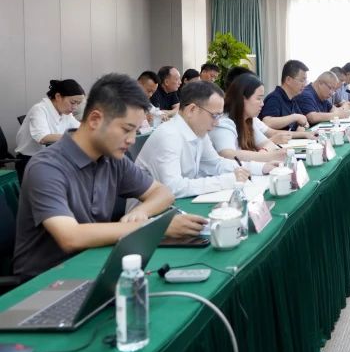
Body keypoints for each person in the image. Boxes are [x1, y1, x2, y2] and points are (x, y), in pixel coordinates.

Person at [12, 73, 205, 281]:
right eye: (126, 129)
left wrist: (141, 212)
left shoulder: (112, 158)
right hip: (45, 281)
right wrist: (154, 228)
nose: (132, 140)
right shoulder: (46, 167)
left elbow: (163, 193)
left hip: (95, 265)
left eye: (135, 131)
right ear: (95, 119)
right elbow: (70, 236)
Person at [137, 81, 272, 198]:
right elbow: (173, 187)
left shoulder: (199, 132)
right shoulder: (168, 136)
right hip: (148, 214)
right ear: (192, 110)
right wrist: (228, 180)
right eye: (215, 115)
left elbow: (217, 164)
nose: (217, 123)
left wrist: (262, 168)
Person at [14, 79, 86, 183]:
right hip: (32, 161)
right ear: (58, 96)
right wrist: (74, 136)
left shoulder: (66, 113)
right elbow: (43, 138)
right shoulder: (39, 109)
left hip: (52, 159)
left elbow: (81, 130)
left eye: (78, 104)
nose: (75, 107)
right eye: (73, 102)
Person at [209, 74, 289, 163]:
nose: (262, 104)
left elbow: (268, 143)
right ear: (242, 99)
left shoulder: (248, 120)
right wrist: (267, 156)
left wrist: (263, 153)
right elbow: (228, 155)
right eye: (258, 98)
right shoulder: (223, 123)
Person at [260, 60, 310, 131]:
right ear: (288, 80)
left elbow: (304, 121)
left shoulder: (292, 99)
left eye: (305, 81)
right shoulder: (274, 98)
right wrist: (295, 117)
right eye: (302, 80)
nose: (304, 84)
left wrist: (302, 127)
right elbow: (267, 122)